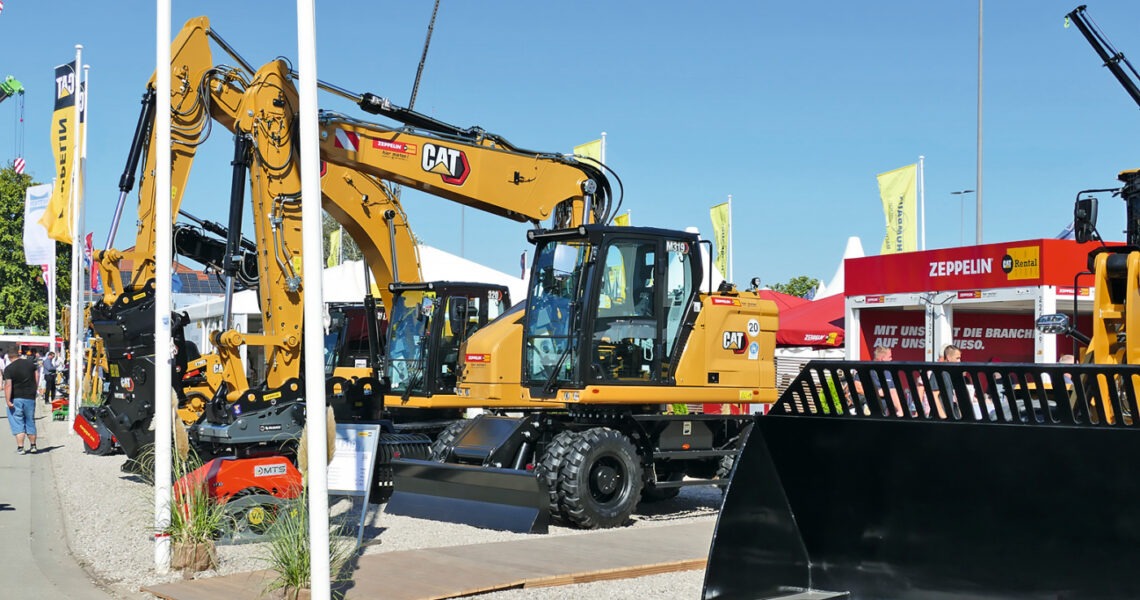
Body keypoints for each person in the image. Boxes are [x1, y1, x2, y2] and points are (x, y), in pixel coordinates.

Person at [5, 350, 40, 454]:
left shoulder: (9, 368)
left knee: (17, 422)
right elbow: (36, 376)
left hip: (16, 398)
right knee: (30, 421)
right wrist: (35, 388)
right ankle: (33, 446)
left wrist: (7, 400)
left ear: (9, 357)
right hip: (30, 397)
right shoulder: (30, 364)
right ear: (18, 355)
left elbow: (8, 385)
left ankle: (21, 448)